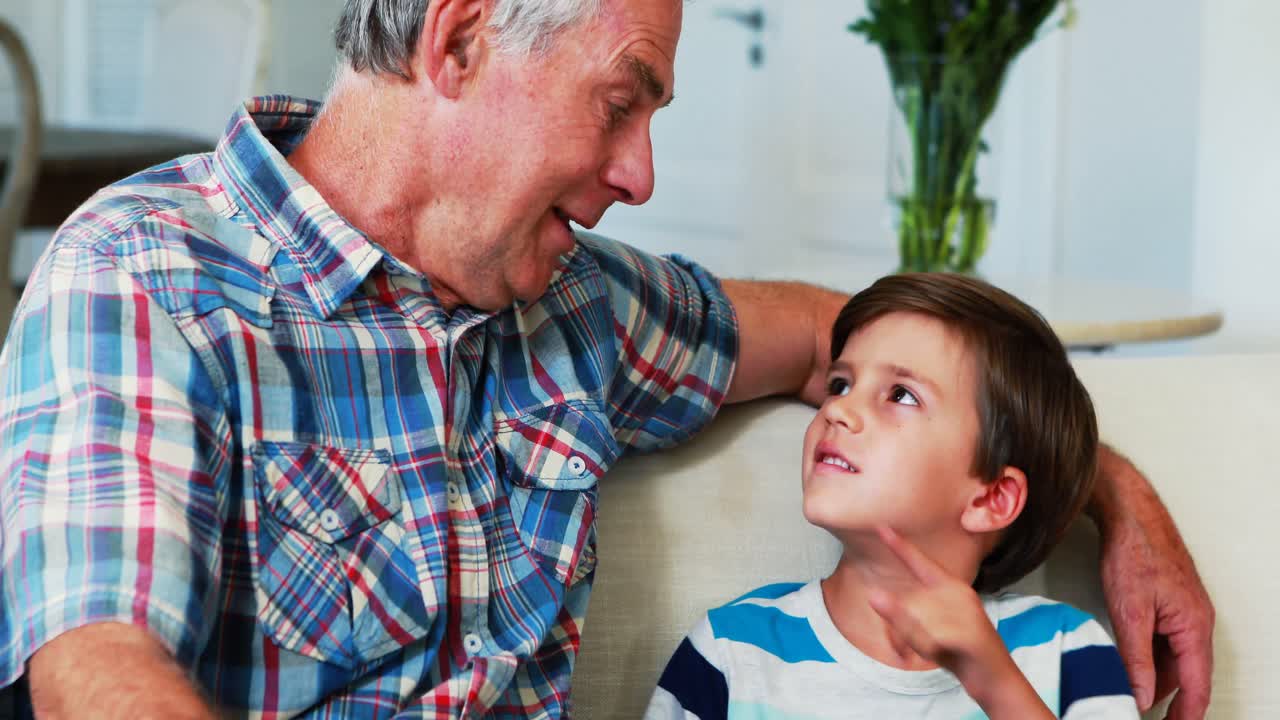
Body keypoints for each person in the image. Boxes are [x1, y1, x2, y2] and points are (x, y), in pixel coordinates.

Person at [0, 1, 1211, 718]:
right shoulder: (149, 274)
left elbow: (881, 345)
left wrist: (1107, 487)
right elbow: (97, 669)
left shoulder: (577, 306)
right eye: (619, 103)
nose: (640, 176)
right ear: (462, 38)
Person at [646, 273, 1138, 719]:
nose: (838, 411)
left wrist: (995, 683)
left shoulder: (1066, 653)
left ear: (992, 498)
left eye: (901, 394)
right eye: (839, 384)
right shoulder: (733, 652)